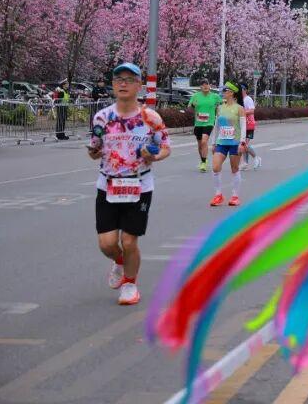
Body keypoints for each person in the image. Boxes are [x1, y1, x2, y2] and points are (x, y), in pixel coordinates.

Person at [88, 62, 170, 306]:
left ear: (139, 86)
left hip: (139, 186)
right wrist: (93, 151)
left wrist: (153, 156)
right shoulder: (102, 117)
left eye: (129, 79)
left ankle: (130, 284)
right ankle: (120, 261)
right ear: (113, 85)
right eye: (118, 79)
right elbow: (94, 149)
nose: (123, 84)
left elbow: (165, 148)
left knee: (129, 241)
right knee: (107, 244)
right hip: (108, 185)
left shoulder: (150, 118)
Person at [210, 82, 247, 207]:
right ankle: (218, 195)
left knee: (234, 168)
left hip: (234, 142)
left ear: (231, 93)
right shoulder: (220, 108)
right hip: (221, 142)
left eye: (225, 91)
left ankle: (235, 196)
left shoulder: (239, 108)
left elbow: (243, 126)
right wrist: (213, 142)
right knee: (215, 167)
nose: (223, 93)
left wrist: (242, 142)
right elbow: (216, 126)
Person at [187, 81, 221, 172]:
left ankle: (203, 162)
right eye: (203, 85)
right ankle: (203, 159)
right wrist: (192, 105)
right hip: (198, 123)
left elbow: (221, 105)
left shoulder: (215, 96)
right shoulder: (195, 96)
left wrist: (220, 114)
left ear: (210, 86)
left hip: (209, 122)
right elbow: (189, 107)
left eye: (207, 85)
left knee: (204, 141)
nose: (205, 86)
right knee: (200, 144)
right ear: (200, 87)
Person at [242, 87, 261, 170]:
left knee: (244, 144)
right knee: (242, 144)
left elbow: (252, 110)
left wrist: (242, 112)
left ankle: (256, 158)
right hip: (242, 124)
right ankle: (245, 163)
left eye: (241, 89)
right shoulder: (239, 100)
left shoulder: (248, 99)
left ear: (245, 90)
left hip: (249, 124)